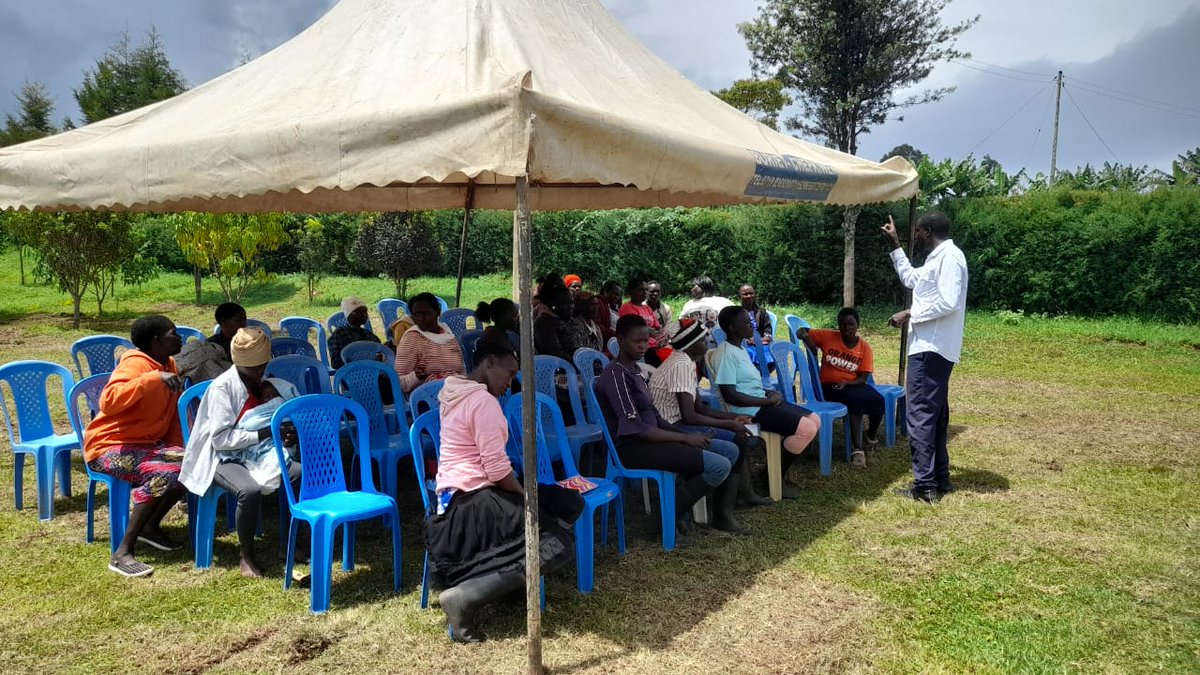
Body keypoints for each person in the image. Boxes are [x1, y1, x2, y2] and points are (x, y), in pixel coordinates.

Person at [430, 341, 583, 643]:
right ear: (489, 362)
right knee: (550, 538)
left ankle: (509, 584)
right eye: (509, 373)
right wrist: (526, 498)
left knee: (567, 502)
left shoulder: (454, 392)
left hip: (458, 497)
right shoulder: (482, 401)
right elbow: (497, 470)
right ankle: (465, 597)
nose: (510, 382)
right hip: (473, 500)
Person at [181, 327, 304, 578]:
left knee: (299, 473)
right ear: (239, 364)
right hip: (220, 455)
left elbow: (275, 418)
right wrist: (270, 433)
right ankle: (246, 555)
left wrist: (289, 433)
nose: (260, 372)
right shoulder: (223, 389)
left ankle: (292, 544)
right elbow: (221, 440)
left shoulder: (266, 383)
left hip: (259, 451)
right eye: (255, 368)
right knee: (248, 490)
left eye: (263, 365)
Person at [595, 315, 733, 538]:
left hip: (653, 439)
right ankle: (663, 520)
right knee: (719, 465)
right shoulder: (616, 375)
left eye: (645, 341)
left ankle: (684, 511)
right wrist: (685, 439)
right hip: (633, 448)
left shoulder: (636, 370)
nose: (642, 346)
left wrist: (686, 435)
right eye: (636, 341)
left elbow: (656, 419)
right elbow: (637, 429)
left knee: (729, 450)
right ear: (620, 340)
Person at [84, 315, 187, 578]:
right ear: (156, 341)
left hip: (146, 444)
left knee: (193, 464)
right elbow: (108, 401)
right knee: (162, 472)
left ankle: (150, 527)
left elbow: (171, 412)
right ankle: (122, 553)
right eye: (173, 334)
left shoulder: (170, 363)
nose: (180, 338)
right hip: (109, 446)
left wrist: (178, 448)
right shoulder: (134, 364)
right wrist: (152, 379)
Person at [883, 212, 969, 503]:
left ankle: (924, 486)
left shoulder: (950, 258)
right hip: (932, 347)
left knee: (919, 416)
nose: (915, 236)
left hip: (931, 348)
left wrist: (910, 313)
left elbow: (949, 301)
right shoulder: (937, 259)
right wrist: (894, 244)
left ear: (928, 231)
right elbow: (911, 279)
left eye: (917, 231)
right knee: (935, 416)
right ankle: (940, 479)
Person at [649, 319, 770, 526]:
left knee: (737, 436)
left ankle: (736, 499)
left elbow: (701, 408)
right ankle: (724, 512)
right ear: (691, 344)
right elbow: (690, 417)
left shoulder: (686, 361)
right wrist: (730, 425)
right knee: (736, 440)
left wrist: (733, 418)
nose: (707, 342)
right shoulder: (680, 364)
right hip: (672, 426)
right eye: (703, 339)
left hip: (679, 422)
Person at [713, 306, 820, 498]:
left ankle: (774, 471)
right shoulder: (726, 354)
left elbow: (748, 384)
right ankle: (771, 478)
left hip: (760, 402)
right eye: (746, 322)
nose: (751, 324)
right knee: (807, 429)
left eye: (750, 320)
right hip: (749, 411)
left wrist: (769, 394)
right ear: (731, 328)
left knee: (815, 420)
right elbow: (730, 395)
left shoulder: (740, 348)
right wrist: (766, 401)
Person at [798, 307, 885, 468]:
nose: (847, 328)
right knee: (853, 402)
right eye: (842, 324)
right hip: (828, 387)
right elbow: (802, 330)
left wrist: (847, 383)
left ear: (857, 325)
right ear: (838, 325)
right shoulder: (828, 336)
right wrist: (804, 335)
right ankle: (857, 450)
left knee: (879, 401)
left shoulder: (864, 348)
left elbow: (863, 378)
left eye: (851, 324)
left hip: (852, 384)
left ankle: (870, 438)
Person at [394, 292, 465, 393]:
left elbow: (461, 371)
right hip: (430, 397)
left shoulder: (448, 335)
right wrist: (416, 376)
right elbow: (399, 383)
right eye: (416, 314)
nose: (421, 319)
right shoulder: (412, 338)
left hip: (458, 389)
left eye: (426, 313)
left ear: (438, 312)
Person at [618, 278, 670, 365]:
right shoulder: (627, 308)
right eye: (640, 290)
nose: (645, 292)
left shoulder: (646, 308)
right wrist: (649, 331)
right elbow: (635, 329)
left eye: (646, 289)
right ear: (631, 292)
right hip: (640, 348)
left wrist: (662, 335)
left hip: (654, 346)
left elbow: (657, 327)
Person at [328, 296, 380, 369]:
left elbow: (380, 352)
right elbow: (335, 363)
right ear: (348, 315)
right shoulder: (340, 334)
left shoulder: (368, 334)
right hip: (351, 376)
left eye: (365, 311)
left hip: (373, 372)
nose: (364, 314)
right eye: (358, 312)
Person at [532, 278, 576, 361]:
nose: (571, 307)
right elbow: (554, 352)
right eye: (566, 303)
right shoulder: (544, 322)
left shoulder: (561, 319)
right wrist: (577, 363)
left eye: (572, 303)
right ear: (553, 304)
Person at [738, 283, 775, 371]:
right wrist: (747, 340)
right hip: (744, 345)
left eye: (751, 293)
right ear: (740, 296)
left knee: (770, 355)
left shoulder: (762, 312)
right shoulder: (737, 313)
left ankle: (762, 378)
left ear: (755, 295)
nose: (749, 296)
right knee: (750, 356)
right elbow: (734, 333)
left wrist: (760, 340)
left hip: (762, 344)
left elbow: (768, 332)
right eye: (745, 294)